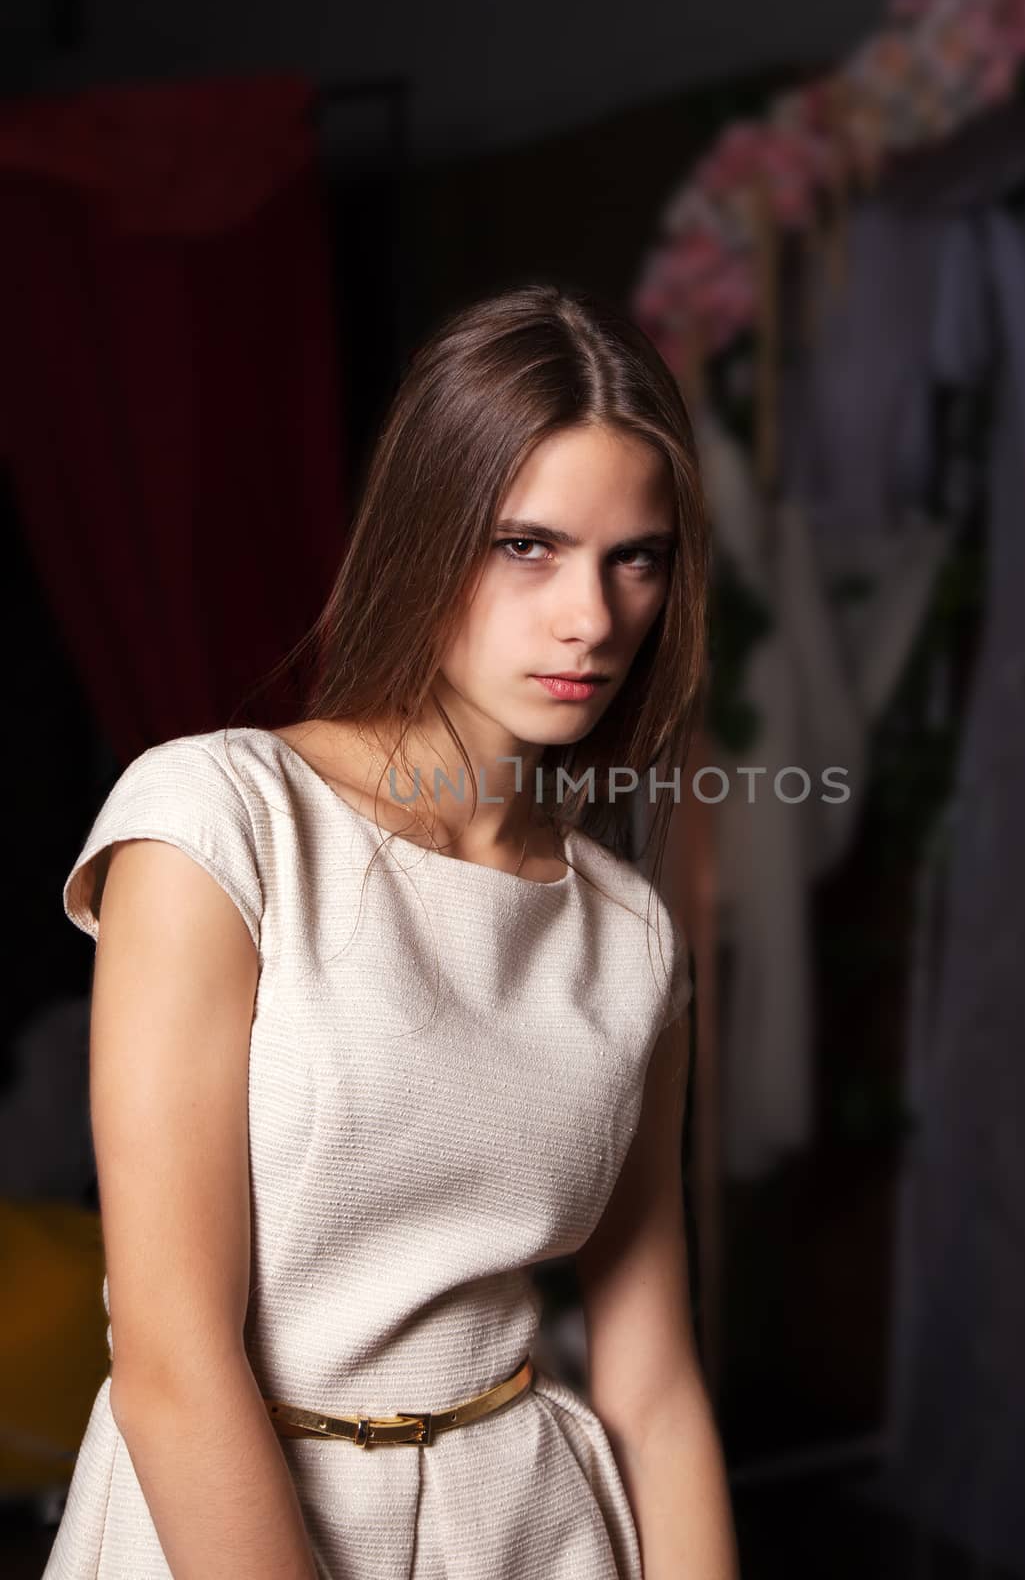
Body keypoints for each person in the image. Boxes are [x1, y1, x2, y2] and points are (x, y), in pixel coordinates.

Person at [45, 284, 741, 1579]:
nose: (591, 616)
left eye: (632, 557)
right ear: (428, 532)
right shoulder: (217, 819)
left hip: (538, 1529)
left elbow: (653, 1388)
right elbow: (170, 1360)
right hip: (221, 1527)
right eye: (528, 545)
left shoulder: (629, 934)